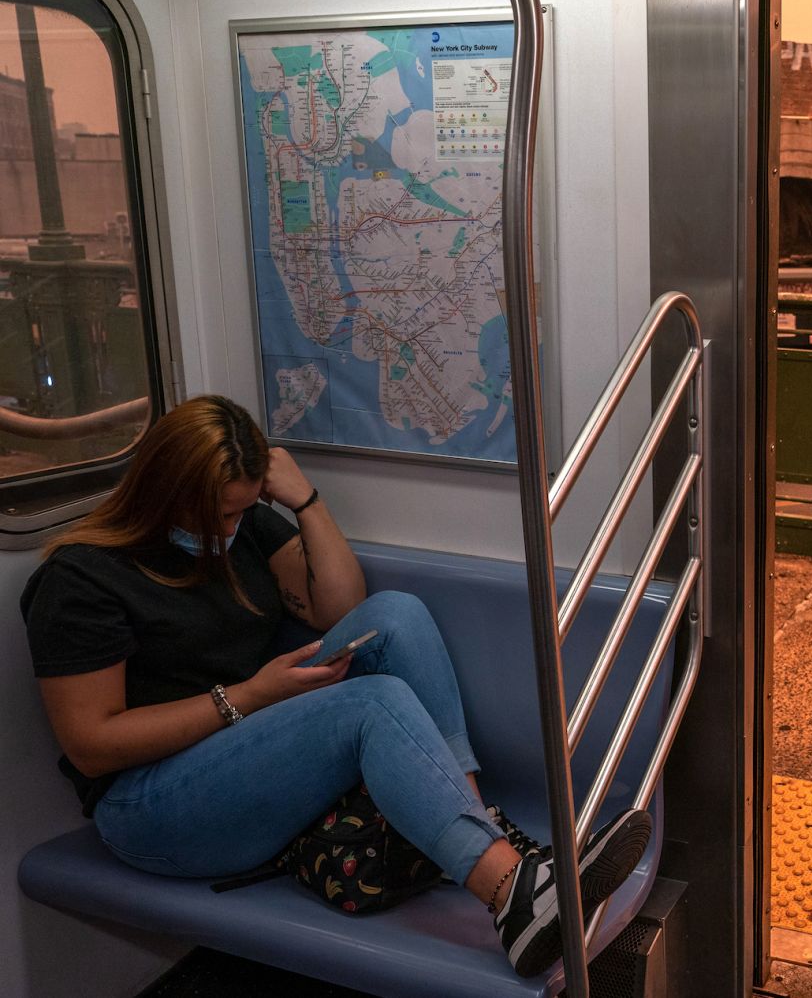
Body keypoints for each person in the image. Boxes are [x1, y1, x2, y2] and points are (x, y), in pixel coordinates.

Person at [20, 395, 649, 978]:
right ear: (161, 494)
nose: (225, 531)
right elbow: (92, 745)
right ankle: (512, 896)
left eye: (240, 511)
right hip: (148, 808)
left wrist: (306, 501)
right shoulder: (81, 580)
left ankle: (483, 834)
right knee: (369, 706)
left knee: (395, 615)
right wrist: (250, 696)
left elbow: (337, 605)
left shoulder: (239, 531)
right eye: (213, 514)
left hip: (239, 754)